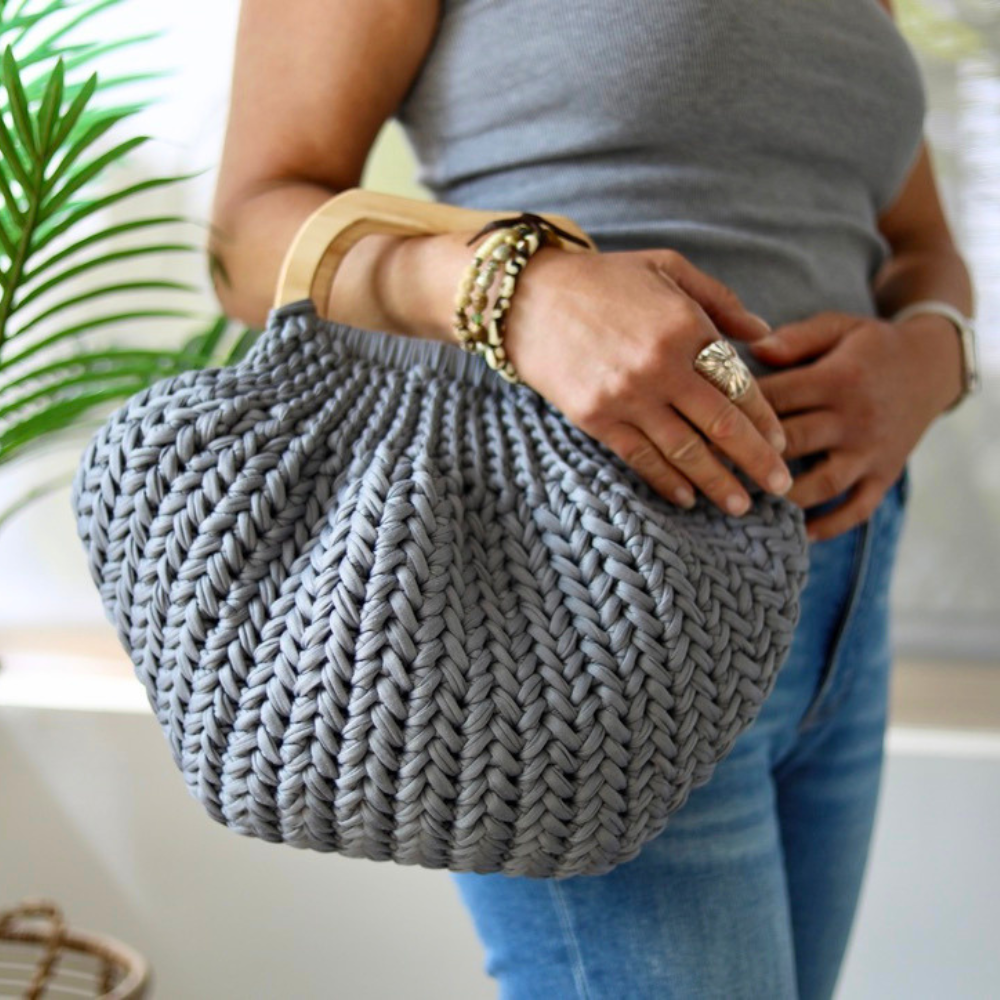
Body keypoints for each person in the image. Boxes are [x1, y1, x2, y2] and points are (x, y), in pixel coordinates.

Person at [208, 1, 975, 996]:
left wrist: (933, 348)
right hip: (581, 594)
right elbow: (246, 233)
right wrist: (511, 290)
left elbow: (917, 242)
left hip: (846, 583)